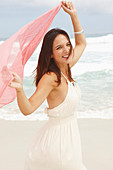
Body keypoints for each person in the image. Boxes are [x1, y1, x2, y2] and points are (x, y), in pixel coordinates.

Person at [8, 1, 87, 170]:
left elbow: (81, 44)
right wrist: (20, 90)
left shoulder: (66, 67)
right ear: (50, 54)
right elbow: (28, 109)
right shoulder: (51, 77)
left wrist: (73, 15)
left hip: (70, 140)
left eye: (67, 44)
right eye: (59, 47)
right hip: (57, 144)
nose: (66, 50)